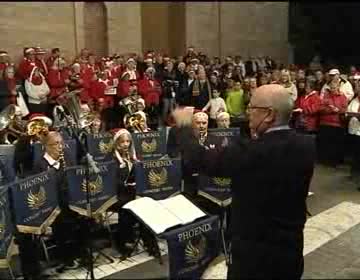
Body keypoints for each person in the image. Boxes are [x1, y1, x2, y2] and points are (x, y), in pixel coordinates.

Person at [172, 84, 316, 279]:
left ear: (269, 114)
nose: (248, 112)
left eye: (252, 108)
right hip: (290, 250)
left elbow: (197, 159)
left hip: (254, 258)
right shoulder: (306, 145)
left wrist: (183, 125)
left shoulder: (252, 153)